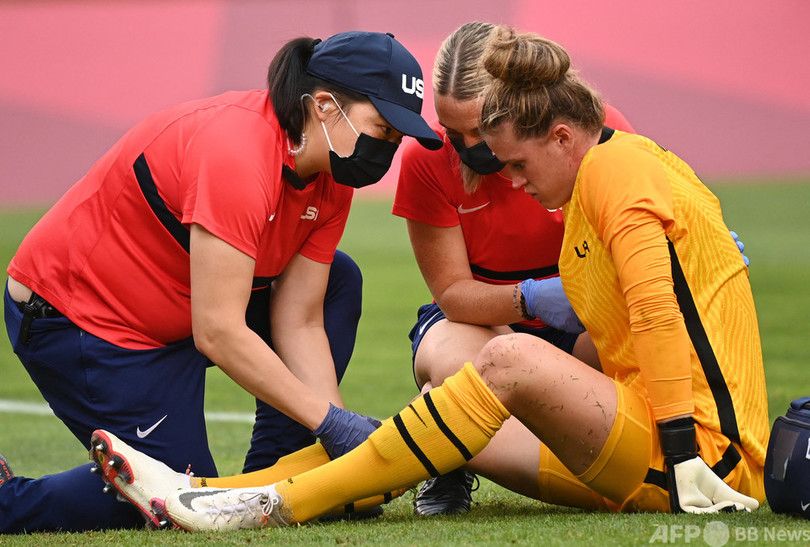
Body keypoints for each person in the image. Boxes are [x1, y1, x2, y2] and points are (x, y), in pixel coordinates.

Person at [132, 26, 766, 529]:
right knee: (446, 420)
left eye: (512, 158)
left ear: (561, 133)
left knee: (505, 364)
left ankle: (264, 504)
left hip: (700, 459)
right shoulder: (603, 162)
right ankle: (208, 492)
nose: (503, 175)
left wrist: (683, 452)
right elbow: (488, 303)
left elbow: (654, 308)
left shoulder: (613, 167)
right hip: (645, 431)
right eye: (462, 137)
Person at [0, 30, 441, 533]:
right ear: (323, 105)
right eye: (383, 128)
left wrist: (341, 462)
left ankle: (273, 472)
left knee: (337, 279)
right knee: (172, 493)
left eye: (397, 137)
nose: (389, 147)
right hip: (84, 320)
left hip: (178, 307)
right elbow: (218, 330)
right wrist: (334, 425)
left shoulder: (330, 175)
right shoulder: (237, 151)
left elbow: (299, 318)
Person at [392, 21, 636, 515]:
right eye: (450, 131)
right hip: (479, 323)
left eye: (479, 130)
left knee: (635, 343)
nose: (464, 145)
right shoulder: (427, 159)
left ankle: (448, 430)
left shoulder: (595, 128)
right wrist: (533, 297)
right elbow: (454, 295)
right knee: (451, 360)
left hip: (585, 327)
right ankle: (451, 452)